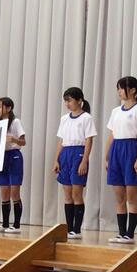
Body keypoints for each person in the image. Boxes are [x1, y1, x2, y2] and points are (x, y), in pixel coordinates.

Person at [105, 76, 137, 244]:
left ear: (132, 90)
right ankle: (121, 232)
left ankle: (130, 234)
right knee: (119, 197)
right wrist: (107, 156)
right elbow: (112, 134)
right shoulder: (115, 111)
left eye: (121, 88)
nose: (119, 91)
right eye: (118, 88)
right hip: (116, 150)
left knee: (131, 196)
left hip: (130, 150)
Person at [52, 87, 96, 239]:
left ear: (79, 100)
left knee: (77, 193)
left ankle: (76, 229)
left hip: (78, 153)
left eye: (69, 100)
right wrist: (56, 159)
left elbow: (89, 140)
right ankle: (69, 228)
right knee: (67, 193)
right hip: (65, 153)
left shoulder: (86, 118)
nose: (67, 104)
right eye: (65, 101)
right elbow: (61, 140)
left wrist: (84, 160)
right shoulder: (64, 119)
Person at [0, 97, 26, 233]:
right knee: (4, 191)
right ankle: (5, 224)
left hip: (14, 156)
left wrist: (14, 139)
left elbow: (23, 142)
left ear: (8, 108)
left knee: (14, 192)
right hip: (1, 157)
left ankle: (16, 225)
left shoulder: (15, 121)